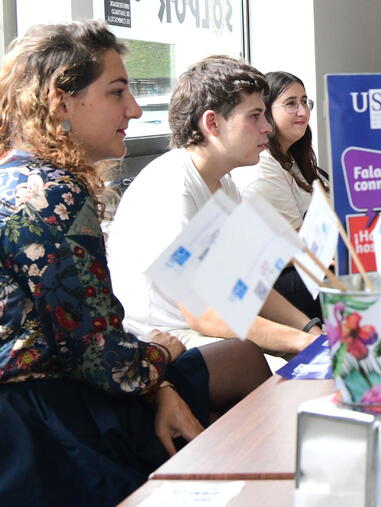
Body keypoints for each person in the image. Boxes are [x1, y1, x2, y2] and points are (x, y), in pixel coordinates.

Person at [0, 21, 270, 505]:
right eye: (117, 92)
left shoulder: (226, 186)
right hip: (42, 416)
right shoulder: (59, 194)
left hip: (61, 388)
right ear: (61, 100)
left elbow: (248, 280)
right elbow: (98, 351)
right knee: (240, 359)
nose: (135, 109)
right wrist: (159, 364)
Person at [107, 57, 323, 370]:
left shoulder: (225, 184)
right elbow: (203, 313)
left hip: (200, 332)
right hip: (164, 340)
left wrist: (309, 331)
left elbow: (249, 284)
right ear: (212, 124)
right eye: (255, 116)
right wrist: (301, 342)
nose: (267, 127)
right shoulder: (173, 187)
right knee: (253, 361)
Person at [231, 71, 329, 319]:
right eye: (291, 103)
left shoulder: (295, 159)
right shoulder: (263, 167)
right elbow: (297, 245)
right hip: (277, 279)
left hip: (304, 263)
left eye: (305, 101)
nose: (303, 111)